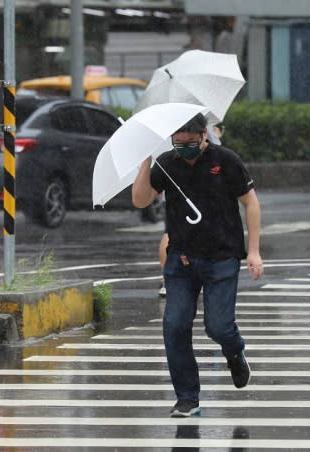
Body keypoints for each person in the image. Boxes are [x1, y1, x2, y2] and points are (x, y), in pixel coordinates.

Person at [132, 113, 263, 418]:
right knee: (174, 326)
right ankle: (187, 397)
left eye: (191, 141)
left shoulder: (225, 161)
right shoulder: (166, 163)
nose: (186, 147)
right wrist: (145, 162)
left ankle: (234, 350)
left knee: (218, 327)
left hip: (222, 258)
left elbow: (251, 203)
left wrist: (253, 251)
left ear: (204, 135)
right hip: (181, 261)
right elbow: (140, 200)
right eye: (179, 142)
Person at [158, 124, 223, 299]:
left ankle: (166, 280)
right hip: (196, 196)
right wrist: (216, 134)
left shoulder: (163, 128)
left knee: (169, 233)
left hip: (172, 196)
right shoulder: (198, 124)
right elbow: (217, 149)